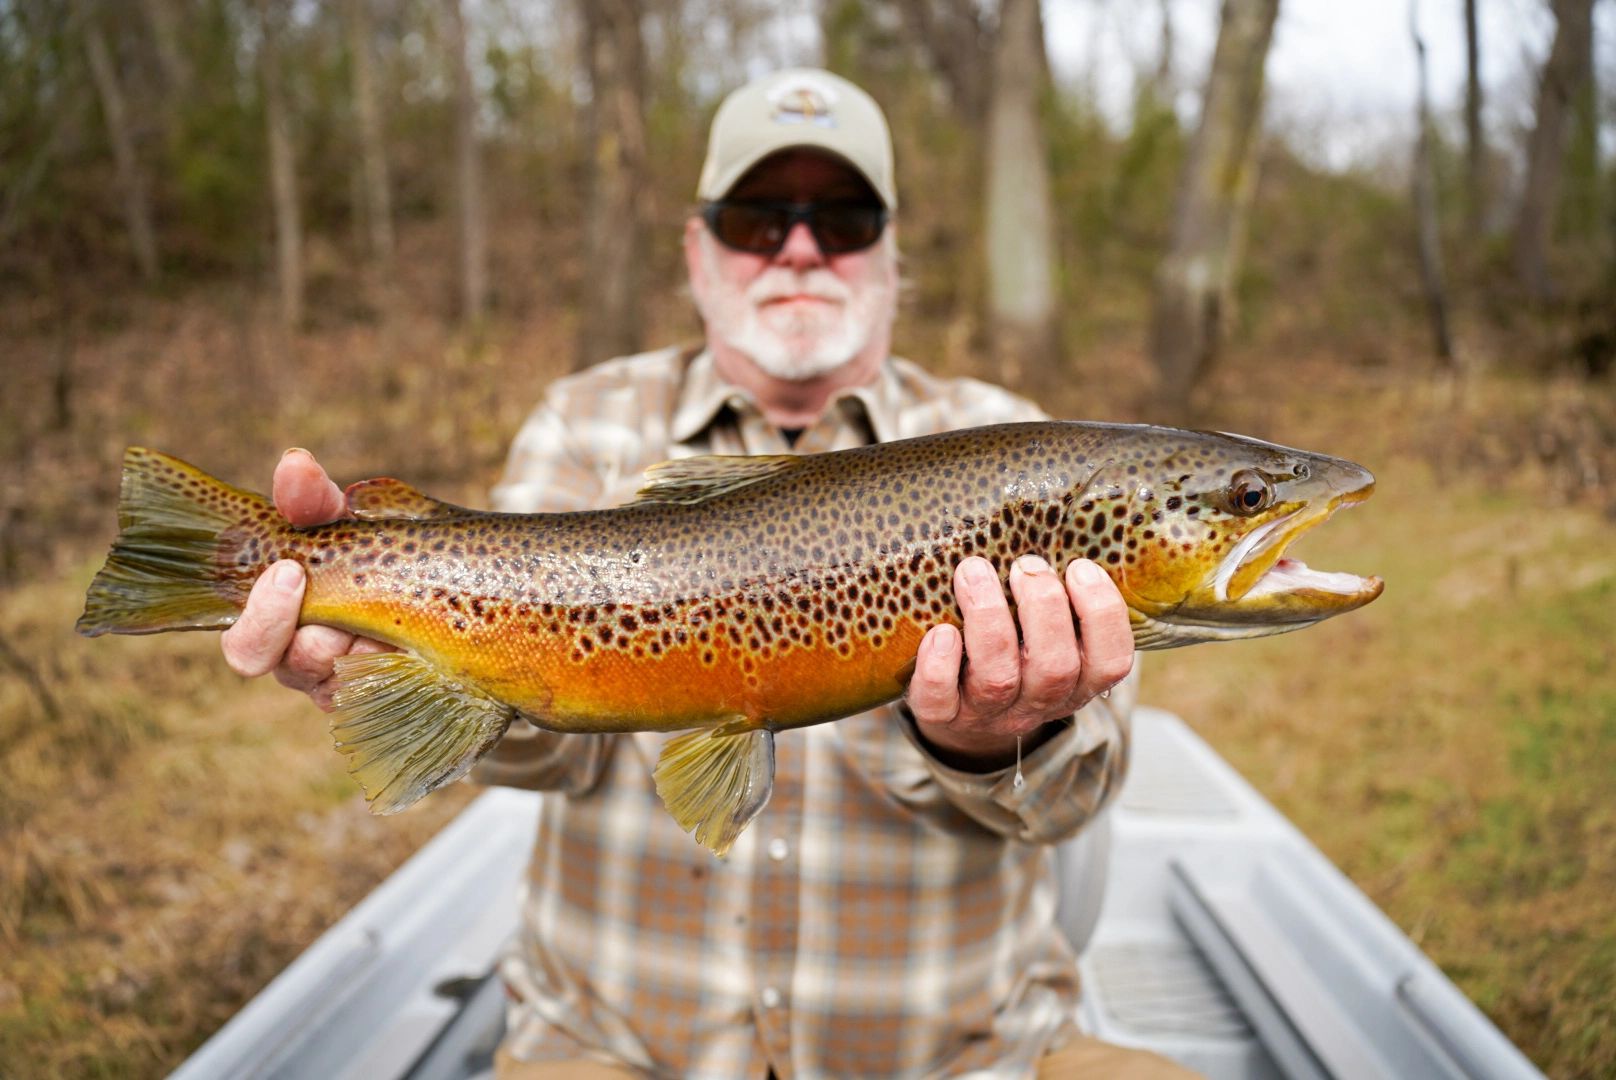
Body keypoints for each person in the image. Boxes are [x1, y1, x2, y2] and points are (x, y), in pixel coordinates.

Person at [221, 68, 1193, 1080]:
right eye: (756, 218)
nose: (801, 248)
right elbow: (542, 751)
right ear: (697, 249)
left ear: (892, 255)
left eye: (844, 219)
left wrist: (998, 741)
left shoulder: (1015, 452)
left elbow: (1078, 796)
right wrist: (375, 663)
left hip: (970, 1051)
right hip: (612, 1045)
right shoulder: (583, 420)